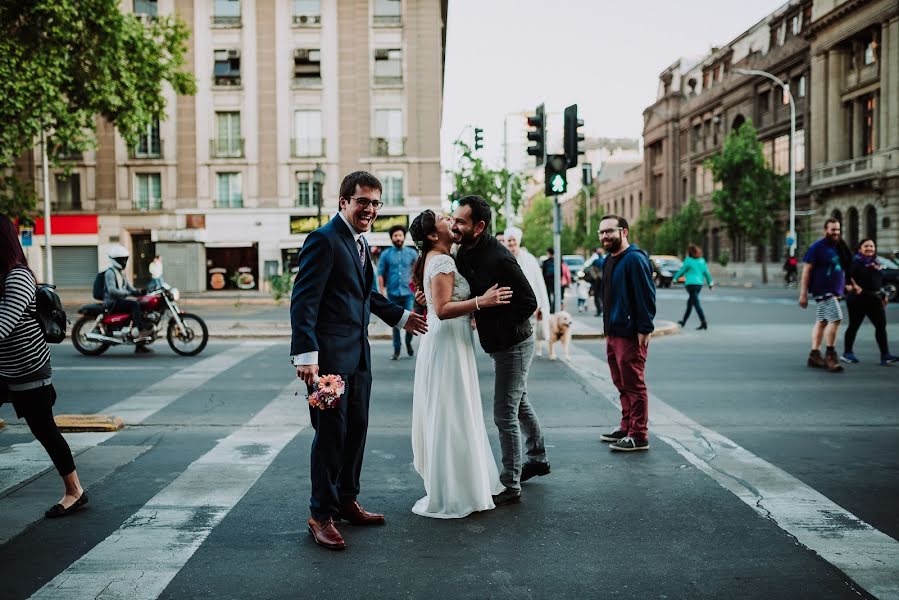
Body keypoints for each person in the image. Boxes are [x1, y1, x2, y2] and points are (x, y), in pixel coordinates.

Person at [290, 171, 428, 551]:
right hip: (329, 361)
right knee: (331, 436)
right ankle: (321, 514)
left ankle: (347, 500)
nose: (369, 208)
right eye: (362, 201)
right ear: (343, 202)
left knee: (357, 431)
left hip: (360, 355)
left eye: (375, 203)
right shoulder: (324, 240)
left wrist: (402, 317)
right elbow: (304, 301)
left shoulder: (361, 244)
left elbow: (367, 294)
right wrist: (305, 355)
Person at [409, 210, 511, 518]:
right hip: (447, 342)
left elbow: (435, 299)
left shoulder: (439, 258)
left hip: (451, 341)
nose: (450, 222)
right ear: (431, 235)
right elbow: (441, 309)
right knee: (452, 413)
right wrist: (483, 301)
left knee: (453, 412)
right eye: (443, 218)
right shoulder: (441, 260)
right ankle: (455, 489)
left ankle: (460, 482)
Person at [453, 196, 549, 506]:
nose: (454, 225)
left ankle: (511, 484)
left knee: (504, 413)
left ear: (479, 227)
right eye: (454, 219)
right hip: (497, 344)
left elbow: (528, 302)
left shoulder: (500, 257)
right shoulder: (464, 252)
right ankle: (538, 455)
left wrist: (492, 316)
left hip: (515, 344)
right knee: (518, 400)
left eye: (461, 222)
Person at [0, 217, 87, 518]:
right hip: (3, 368)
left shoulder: (19, 277)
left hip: (28, 367)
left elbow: (3, 325)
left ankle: (75, 491)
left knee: (44, 429)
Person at [597, 215, 656, 452]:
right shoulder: (609, 260)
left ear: (624, 232)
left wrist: (644, 327)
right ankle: (627, 426)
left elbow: (646, 295)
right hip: (613, 331)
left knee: (633, 383)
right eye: (601, 233)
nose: (604, 236)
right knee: (621, 382)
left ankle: (639, 434)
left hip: (631, 333)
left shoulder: (634, 259)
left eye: (609, 231)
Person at [799, 218, 851, 373]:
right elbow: (807, 270)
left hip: (835, 291)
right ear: (825, 230)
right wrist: (803, 294)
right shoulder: (817, 247)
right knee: (836, 318)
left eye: (838, 230)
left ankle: (814, 354)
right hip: (823, 290)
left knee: (822, 321)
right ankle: (830, 354)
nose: (836, 232)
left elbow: (844, 268)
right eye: (832, 230)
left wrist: (850, 284)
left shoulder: (839, 246)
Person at [842, 239, 899, 366]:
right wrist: (850, 285)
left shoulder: (876, 263)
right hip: (858, 299)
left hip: (874, 298)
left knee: (881, 327)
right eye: (866, 246)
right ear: (860, 249)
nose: (869, 248)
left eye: (872, 246)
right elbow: (846, 275)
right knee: (854, 326)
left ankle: (885, 355)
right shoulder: (855, 262)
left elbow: (878, 282)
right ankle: (847, 353)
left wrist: (884, 296)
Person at [502, 227, 550, 356]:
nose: (511, 243)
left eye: (514, 240)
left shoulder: (530, 259)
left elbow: (538, 283)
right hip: (507, 306)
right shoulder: (501, 257)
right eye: (509, 240)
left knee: (526, 338)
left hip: (527, 306)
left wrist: (540, 305)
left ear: (518, 241)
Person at [377, 225, 419, 360]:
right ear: (392, 238)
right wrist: (382, 292)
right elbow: (380, 274)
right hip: (393, 294)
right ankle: (397, 349)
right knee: (395, 323)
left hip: (408, 294)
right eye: (395, 236)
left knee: (410, 319)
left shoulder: (412, 254)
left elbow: (417, 273)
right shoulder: (385, 255)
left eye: (400, 235)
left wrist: (418, 289)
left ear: (404, 237)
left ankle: (408, 342)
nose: (398, 238)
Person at [104, 245, 152, 354]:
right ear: (115, 260)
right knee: (134, 305)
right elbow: (112, 290)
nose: (124, 261)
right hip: (112, 302)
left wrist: (140, 292)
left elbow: (129, 287)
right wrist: (130, 293)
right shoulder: (110, 273)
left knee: (142, 305)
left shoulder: (121, 272)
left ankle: (140, 345)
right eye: (121, 259)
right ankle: (141, 330)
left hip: (120, 300)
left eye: (125, 259)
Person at [672, 244, 714, 330]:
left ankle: (703, 322)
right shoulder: (702, 261)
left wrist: (675, 278)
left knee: (696, 304)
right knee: (690, 303)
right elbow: (706, 272)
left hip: (690, 285)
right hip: (699, 285)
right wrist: (710, 283)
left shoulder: (688, 260)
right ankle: (683, 321)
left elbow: (682, 270)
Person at [586, 247, 605, 316]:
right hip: (604, 281)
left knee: (597, 295)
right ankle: (603, 309)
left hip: (596, 281)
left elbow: (591, 270)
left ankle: (599, 310)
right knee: (603, 295)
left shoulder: (595, 261)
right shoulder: (605, 260)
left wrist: (595, 276)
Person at [542, 248, 556, 312]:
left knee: (548, 295)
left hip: (548, 280)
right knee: (556, 294)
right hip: (555, 280)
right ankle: (554, 307)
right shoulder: (557, 261)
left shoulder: (545, 262)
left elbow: (543, 273)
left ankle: (549, 307)